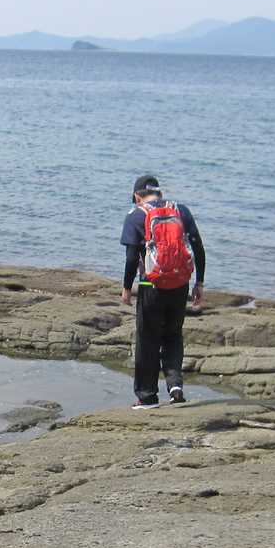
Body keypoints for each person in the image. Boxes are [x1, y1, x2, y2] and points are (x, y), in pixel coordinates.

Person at [119, 174, 206, 407]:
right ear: (159, 193)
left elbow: (131, 258)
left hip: (151, 285)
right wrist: (199, 282)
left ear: (137, 196)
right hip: (179, 284)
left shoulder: (136, 215)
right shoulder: (181, 210)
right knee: (173, 335)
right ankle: (175, 386)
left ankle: (147, 396)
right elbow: (198, 247)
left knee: (147, 339)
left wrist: (127, 288)